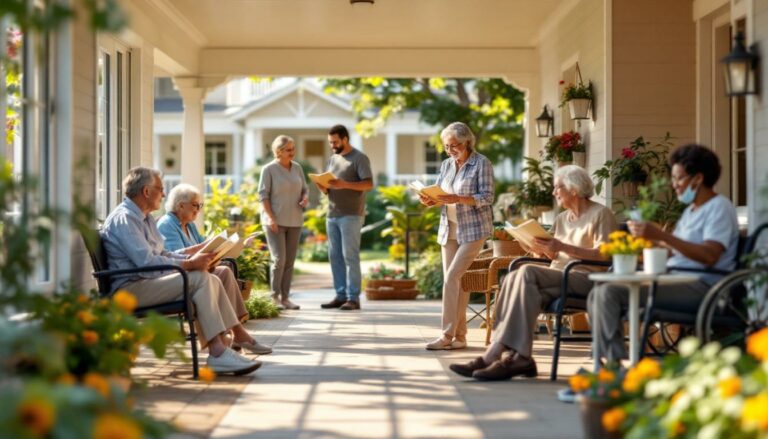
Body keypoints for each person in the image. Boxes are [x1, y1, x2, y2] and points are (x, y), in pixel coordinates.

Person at [449, 165, 618, 379]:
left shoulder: (601, 214)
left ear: (574, 189)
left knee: (527, 272)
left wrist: (562, 248)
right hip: (559, 278)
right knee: (514, 277)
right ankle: (520, 359)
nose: (553, 192)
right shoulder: (561, 219)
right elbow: (554, 254)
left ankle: (495, 355)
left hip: (588, 278)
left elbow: (606, 255)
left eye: (558, 187)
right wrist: (536, 249)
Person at [101, 167, 266, 375]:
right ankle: (218, 353)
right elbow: (147, 263)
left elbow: (165, 255)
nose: (163, 194)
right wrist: (190, 264)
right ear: (146, 191)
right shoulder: (125, 219)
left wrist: (192, 260)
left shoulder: (145, 218)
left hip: (146, 281)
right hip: (130, 289)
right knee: (200, 278)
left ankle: (221, 349)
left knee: (211, 279)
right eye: (160, 189)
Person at [588, 144, 739, 362]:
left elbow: (710, 255)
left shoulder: (719, 208)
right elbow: (674, 251)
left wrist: (663, 235)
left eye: (679, 178)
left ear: (697, 179)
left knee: (610, 292)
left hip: (706, 287)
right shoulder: (691, 211)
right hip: (676, 280)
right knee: (598, 291)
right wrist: (647, 242)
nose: (674, 185)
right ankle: (606, 364)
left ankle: (612, 369)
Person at [157, 184, 272, 355]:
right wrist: (205, 250)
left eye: (200, 205)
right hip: (180, 274)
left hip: (195, 270)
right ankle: (234, 334)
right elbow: (175, 256)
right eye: (195, 205)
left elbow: (205, 247)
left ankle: (231, 333)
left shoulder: (189, 225)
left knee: (224, 270)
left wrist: (226, 248)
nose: (198, 210)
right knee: (222, 272)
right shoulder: (167, 224)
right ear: (181, 205)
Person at [419, 122, 494, 351]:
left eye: (454, 145)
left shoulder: (482, 163)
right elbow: (442, 193)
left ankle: (445, 335)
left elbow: (488, 197)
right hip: (449, 228)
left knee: (452, 277)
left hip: (474, 230)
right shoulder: (446, 165)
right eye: (446, 146)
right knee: (457, 282)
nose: (450, 150)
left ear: (467, 142)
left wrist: (459, 199)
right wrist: (431, 200)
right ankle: (460, 337)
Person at [316, 124, 373, 311]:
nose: (332, 145)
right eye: (330, 142)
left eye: (335, 142)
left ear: (345, 139)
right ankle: (340, 296)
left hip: (351, 215)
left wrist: (343, 184)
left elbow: (368, 184)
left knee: (350, 256)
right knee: (335, 257)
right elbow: (331, 188)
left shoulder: (359, 158)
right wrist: (323, 187)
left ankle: (353, 298)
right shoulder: (332, 159)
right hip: (332, 214)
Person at [258, 135, 309, 310]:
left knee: (290, 261)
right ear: (278, 151)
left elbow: (304, 188)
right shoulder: (269, 169)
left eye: (293, 149)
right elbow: (263, 195)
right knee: (279, 259)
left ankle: (286, 298)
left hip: (295, 219)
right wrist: (271, 217)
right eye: (288, 150)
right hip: (274, 221)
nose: (292, 153)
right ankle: (274, 297)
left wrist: (305, 198)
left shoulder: (297, 168)